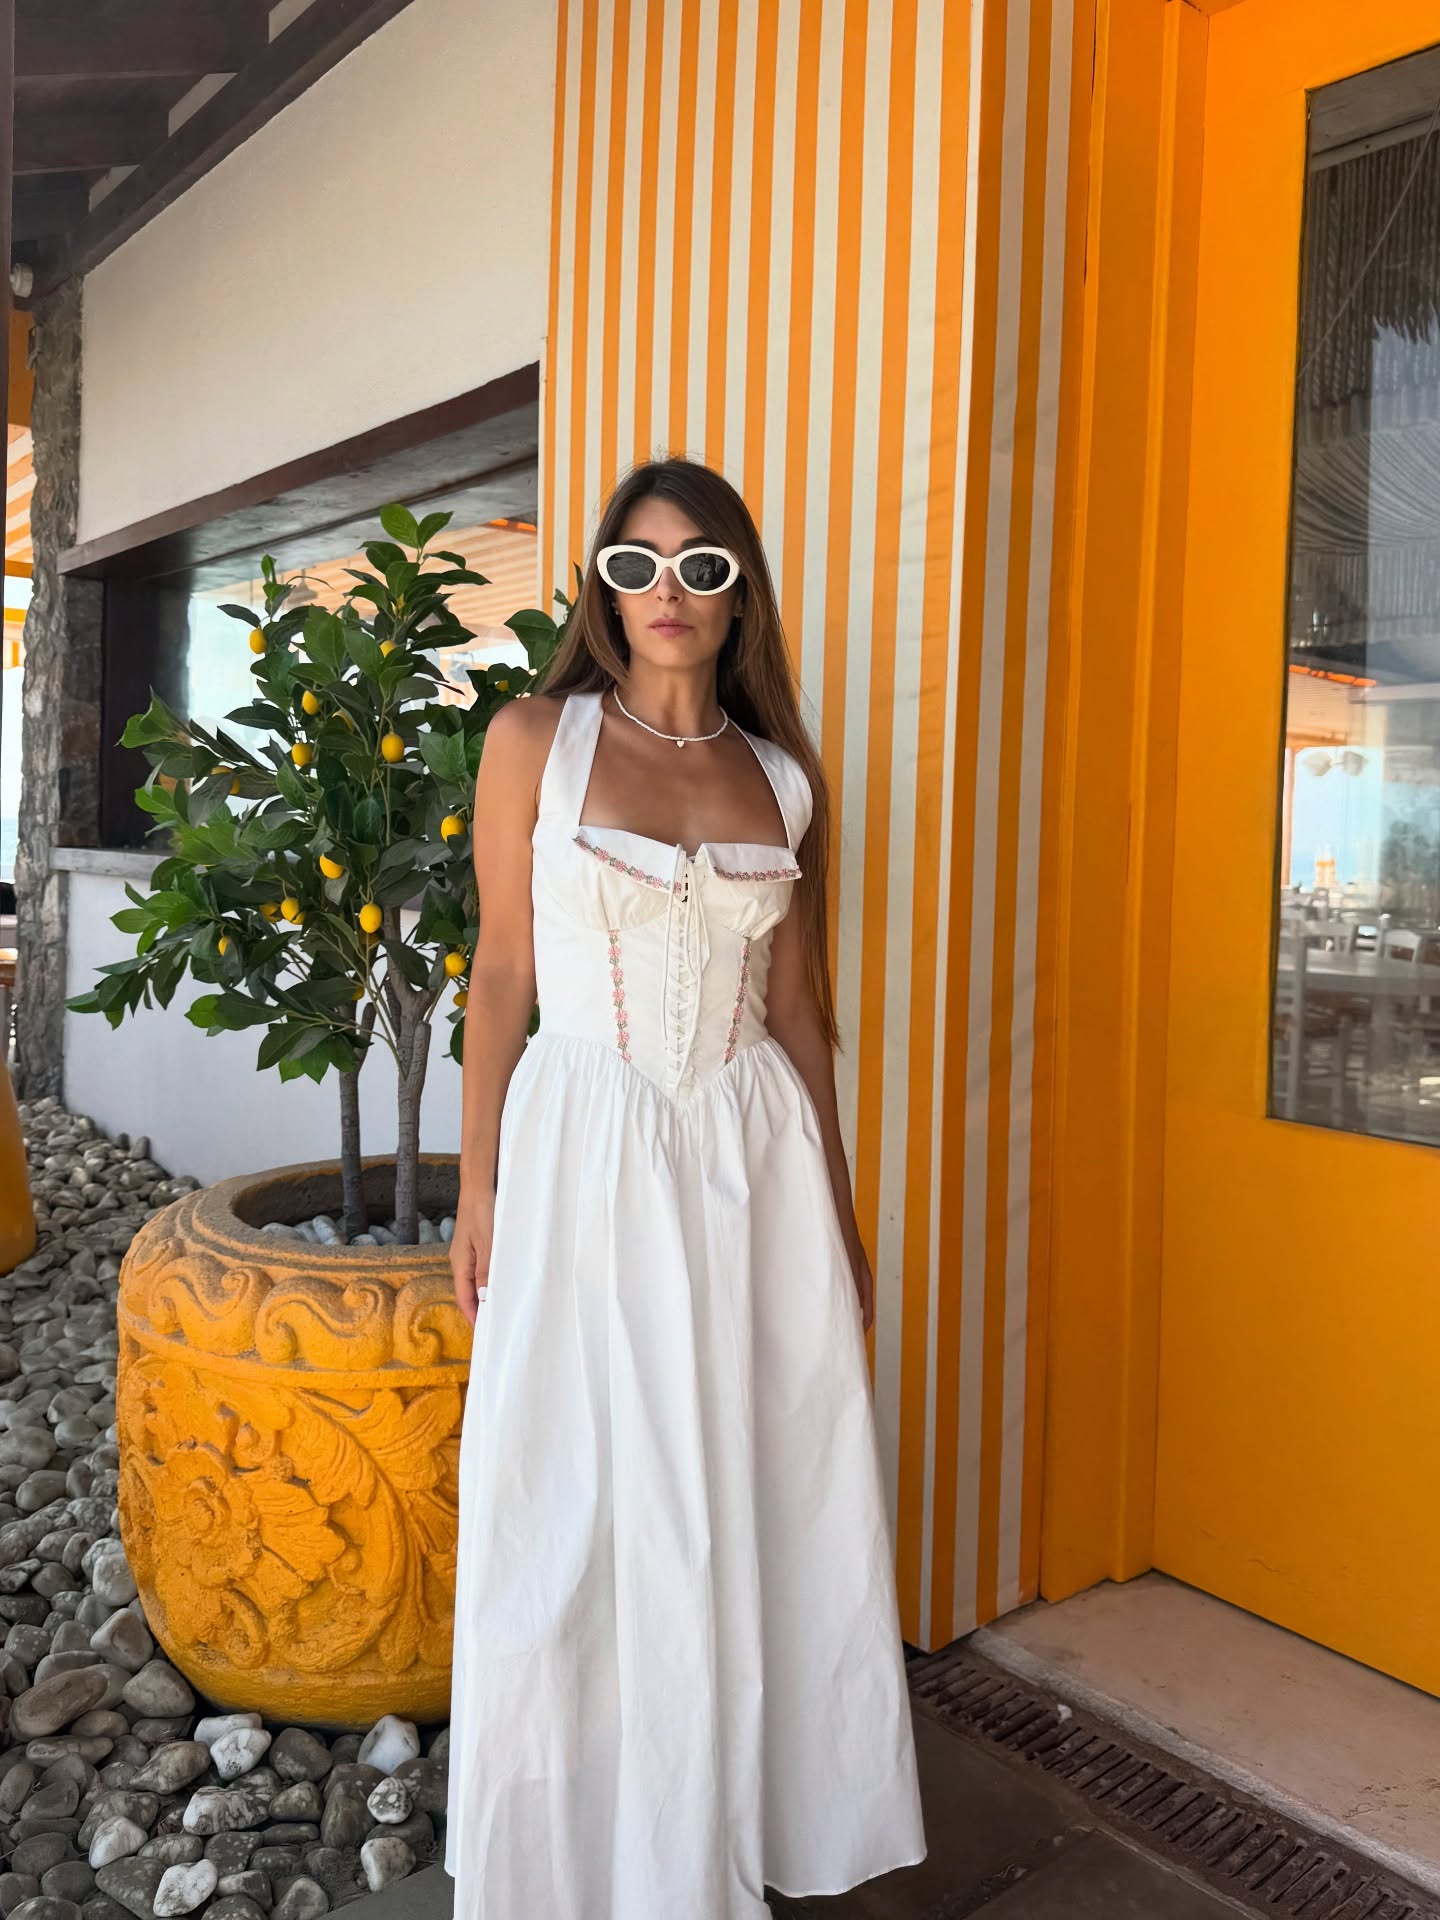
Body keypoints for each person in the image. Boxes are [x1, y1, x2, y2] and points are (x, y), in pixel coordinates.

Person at [444, 457, 927, 1917]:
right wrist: (477, 1193)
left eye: (703, 567)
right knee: (578, 1494)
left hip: (750, 1158)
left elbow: (798, 1011)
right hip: (586, 1143)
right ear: (600, 585)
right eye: (638, 565)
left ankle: (711, 1837)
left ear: (739, 596)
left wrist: (839, 1211)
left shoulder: (783, 777)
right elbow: (504, 975)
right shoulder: (537, 736)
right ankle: (583, 1860)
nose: (669, 593)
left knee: (750, 1488)